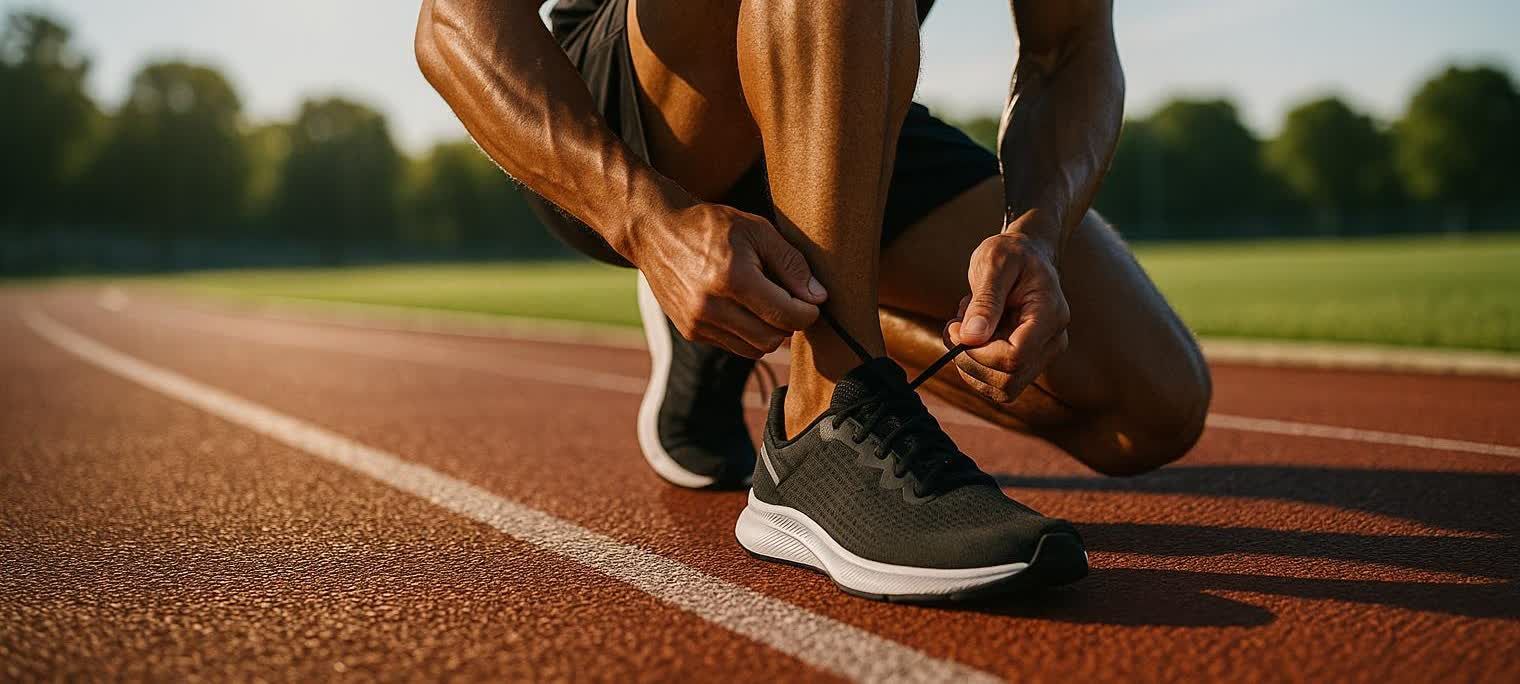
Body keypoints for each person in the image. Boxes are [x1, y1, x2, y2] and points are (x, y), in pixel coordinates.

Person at [416, 0, 1211, 601]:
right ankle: (824, 420)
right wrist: (647, 219)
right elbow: (452, 23)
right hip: (637, 122)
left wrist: (1035, 232)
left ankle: (773, 293)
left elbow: (1068, 51)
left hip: (844, 102)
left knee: (1151, 404)